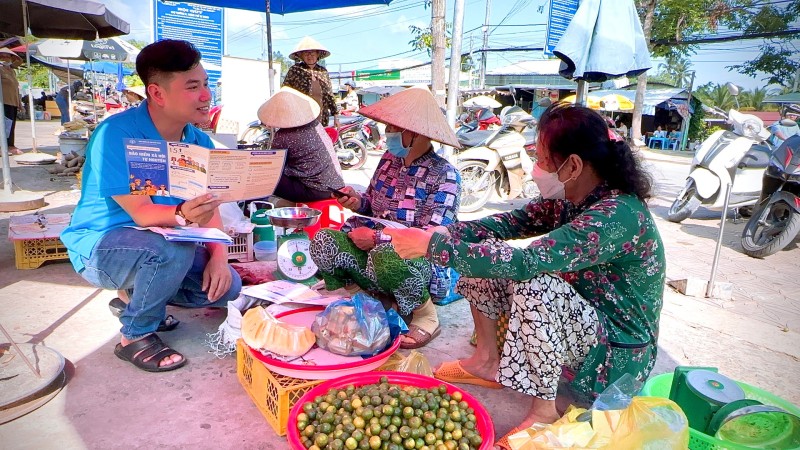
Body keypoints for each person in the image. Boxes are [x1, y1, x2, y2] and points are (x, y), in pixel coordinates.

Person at [385, 103, 665, 447]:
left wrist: (431, 248)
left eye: (543, 158)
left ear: (573, 165)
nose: (536, 168)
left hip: (616, 357)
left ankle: (544, 411)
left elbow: (527, 263)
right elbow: (510, 223)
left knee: (535, 282)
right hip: (585, 327)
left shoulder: (617, 215)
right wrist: (447, 234)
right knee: (486, 257)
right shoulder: (573, 197)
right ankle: (487, 361)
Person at [60, 39, 242, 373]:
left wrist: (218, 257)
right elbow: (143, 214)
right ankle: (135, 334)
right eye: (193, 87)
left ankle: (135, 297)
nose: (206, 96)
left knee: (227, 286)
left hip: (161, 239)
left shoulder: (197, 140)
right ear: (157, 94)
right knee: (172, 250)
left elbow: (209, 206)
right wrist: (182, 216)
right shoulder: (117, 134)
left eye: (206, 85)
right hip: (102, 247)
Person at [309, 86, 462, 350]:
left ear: (412, 133)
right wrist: (357, 201)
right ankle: (367, 300)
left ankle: (425, 315)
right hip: (373, 255)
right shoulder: (388, 161)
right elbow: (373, 206)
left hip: (415, 262)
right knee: (324, 240)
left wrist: (377, 238)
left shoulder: (445, 175)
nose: (387, 133)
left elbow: (433, 238)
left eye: (392, 127)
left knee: (387, 254)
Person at [257, 86, 345, 202]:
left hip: (316, 190)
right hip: (335, 184)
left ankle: (256, 207)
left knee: (264, 175)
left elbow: (274, 165)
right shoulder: (315, 124)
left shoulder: (283, 136)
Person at [282, 36, 339, 128]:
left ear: (318, 55)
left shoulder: (323, 71)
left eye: (312, 53)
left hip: (321, 116)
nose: (310, 56)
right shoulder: (295, 70)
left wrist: (336, 115)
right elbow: (285, 92)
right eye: (306, 54)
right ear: (301, 56)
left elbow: (329, 95)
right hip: (301, 117)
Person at [0, 47, 23, 155]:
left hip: (13, 101)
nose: (5, 58)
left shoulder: (12, 71)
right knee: (4, 125)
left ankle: (10, 145)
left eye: (8, 56)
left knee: (11, 125)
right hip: (3, 101)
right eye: (3, 56)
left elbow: (16, 87)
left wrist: (20, 103)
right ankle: (3, 146)